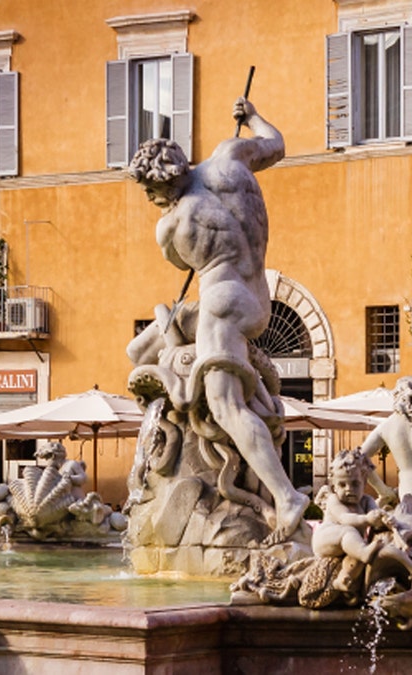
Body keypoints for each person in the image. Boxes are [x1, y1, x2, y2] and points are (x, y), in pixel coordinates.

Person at [129, 98, 308, 545]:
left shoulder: (171, 224)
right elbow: (277, 144)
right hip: (257, 294)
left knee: (227, 406)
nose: (152, 202)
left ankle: (286, 497)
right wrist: (251, 117)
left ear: (160, 188)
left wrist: (171, 213)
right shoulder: (231, 155)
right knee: (145, 352)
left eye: (151, 195)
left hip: (221, 299)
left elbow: (176, 261)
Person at [312, 449, 390, 592]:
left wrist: (384, 518)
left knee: (355, 553)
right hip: (326, 539)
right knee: (349, 532)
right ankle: (363, 553)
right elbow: (345, 518)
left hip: (350, 544)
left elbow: (375, 514)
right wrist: (367, 519)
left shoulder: (367, 500)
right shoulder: (334, 500)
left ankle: (342, 580)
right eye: (342, 485)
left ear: (364, 482)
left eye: (355, 484)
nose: (349, 490)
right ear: (333, 486)